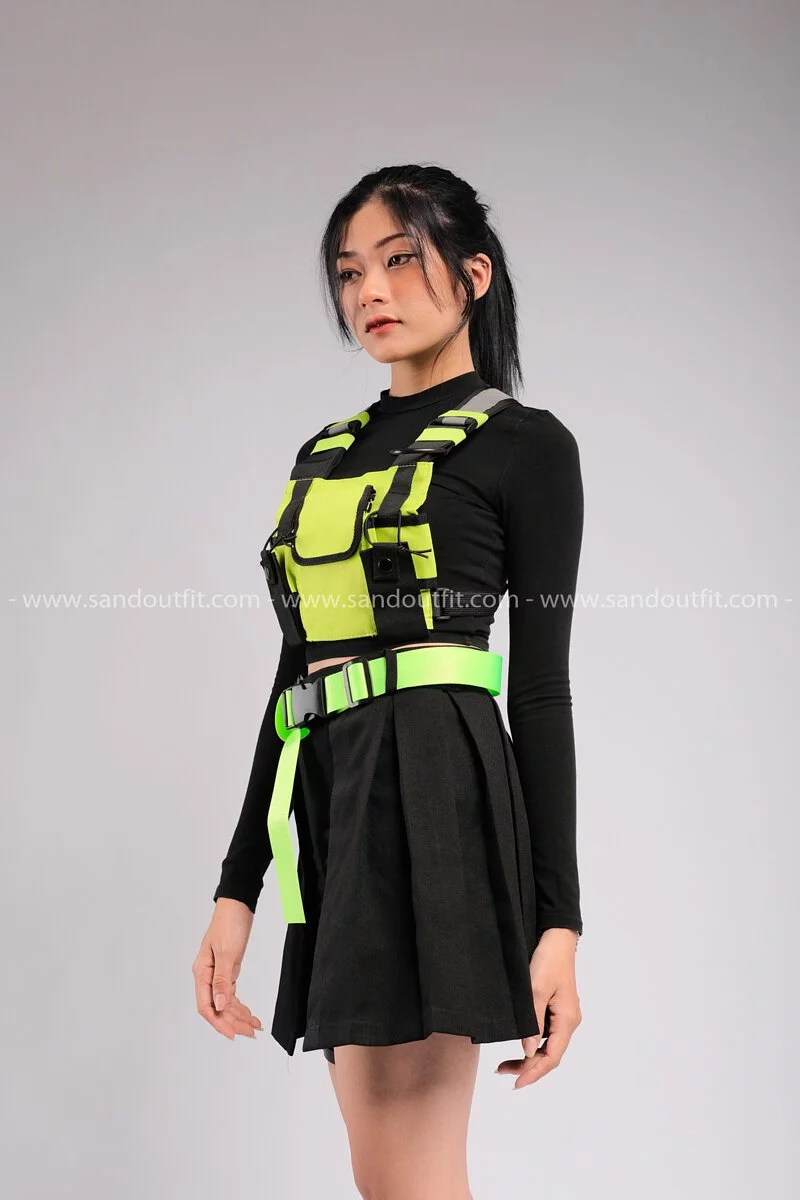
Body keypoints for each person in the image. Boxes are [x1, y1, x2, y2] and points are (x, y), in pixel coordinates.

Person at [192, 163, 584, 1199]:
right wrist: (237, 889)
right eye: (349, 271)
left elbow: (540, 691)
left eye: (400, 260)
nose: (370, 290)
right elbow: (295, 675)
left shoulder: (524, 447)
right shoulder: (324, 457)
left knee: (410, 1176)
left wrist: (560, 923)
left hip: (434, 795)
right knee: (384, 1177)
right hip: (332, 803)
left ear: (473, 274)